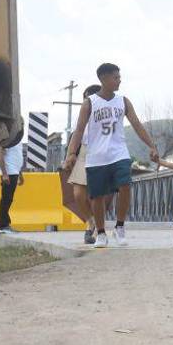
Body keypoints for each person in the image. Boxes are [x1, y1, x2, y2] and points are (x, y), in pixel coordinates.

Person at [62, 64, 158, 248]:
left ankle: (120, 227)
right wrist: (71, 154)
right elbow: (79, 130)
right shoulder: (90, 103)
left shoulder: (123, 101)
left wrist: (152, 146)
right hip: (96, 156)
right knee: (96, 196)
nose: (119, 80)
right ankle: (100, 233)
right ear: (104, 79)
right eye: (116, 77)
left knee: (125, 186)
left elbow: (137, 125)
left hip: (119, 153)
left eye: (119, 77)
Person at [58, 84, 101, 244]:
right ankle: (90, 220)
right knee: (78, 194)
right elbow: (76, 134)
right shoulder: (82, 115)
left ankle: (96, 229)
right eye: (85, 98)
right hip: (84, 152)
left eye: (89, 98)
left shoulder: (106, 113)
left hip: (102, 154)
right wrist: (70, 155)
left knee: (96, 195)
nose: (86, 102)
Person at [0, 132, 24, 233]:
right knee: (6, 199)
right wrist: (4, 174)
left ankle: (4, 224)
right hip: (9, 173)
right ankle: (2, 225)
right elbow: (0, 156)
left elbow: (17, 158)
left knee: (9, 199)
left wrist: (20, 174)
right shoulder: (7, 140)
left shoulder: (17, 141)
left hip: (14, 172)